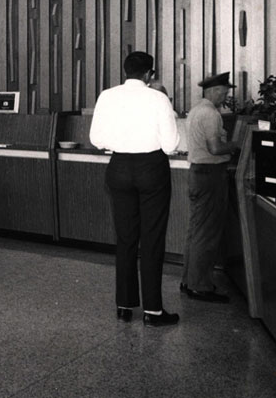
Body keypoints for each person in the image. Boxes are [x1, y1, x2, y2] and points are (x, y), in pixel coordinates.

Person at [89, 51, 181, 327]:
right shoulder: (158, 98)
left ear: (125, 71)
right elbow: (170, 145)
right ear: (149, 74)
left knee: (126, 237)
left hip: (118, 167)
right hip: (151, 167)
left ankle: (125, 304)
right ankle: (153, 310)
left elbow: (96, 138)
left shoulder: (107, 95)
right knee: (151, 238)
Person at [181, 72, 237, 303]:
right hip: (210, 175)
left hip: (197, 173)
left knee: (196, 230)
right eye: (223, 92)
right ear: (213, 91)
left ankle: (189, 281)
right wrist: (236, 145)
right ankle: (201, 286)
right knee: (207, 233)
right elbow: (215, 148)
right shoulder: (211, 114)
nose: (225, 96)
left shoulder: (195, 111)